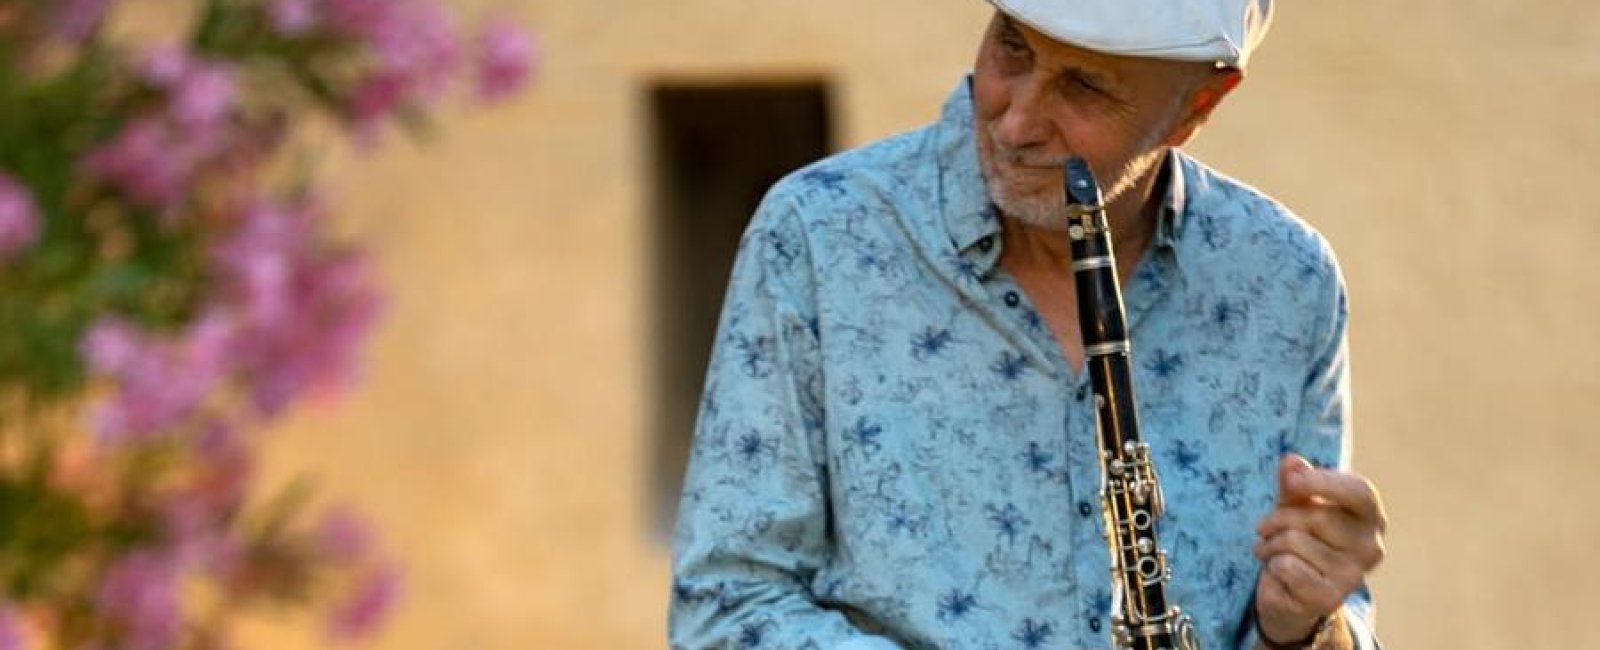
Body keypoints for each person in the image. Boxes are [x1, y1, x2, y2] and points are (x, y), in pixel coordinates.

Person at [669, 1, 1388, 649]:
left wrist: (1304, 629)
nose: (1014, 124)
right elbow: (725, 609)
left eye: (1085, 87)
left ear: (1197, 104)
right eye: (1011, 45)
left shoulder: (1287, 280)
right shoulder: (818, 234)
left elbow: (1329, 618)